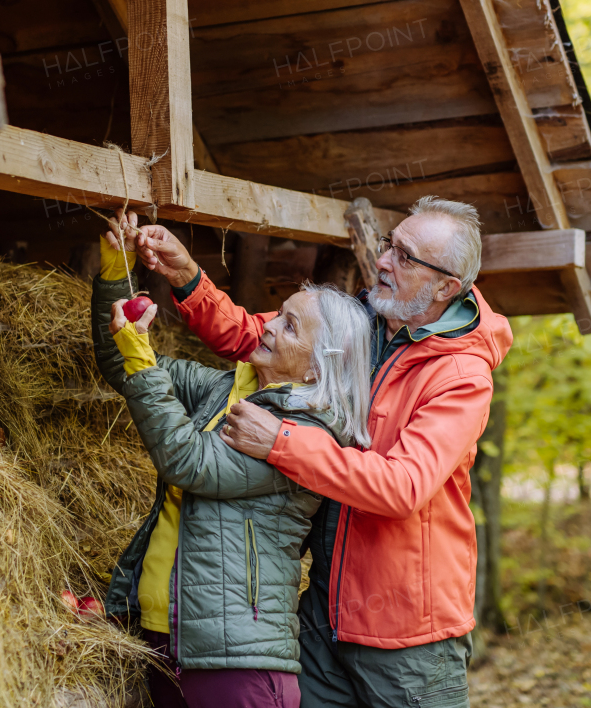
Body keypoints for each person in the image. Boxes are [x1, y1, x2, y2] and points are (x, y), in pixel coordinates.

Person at [127, 196, 513, 708]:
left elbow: (404, 487)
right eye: (389, 245)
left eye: (406, 256)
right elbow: (257, 335)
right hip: (322, 617)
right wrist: (188, 277)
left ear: (446, 286)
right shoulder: (365, 320)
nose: (383, 261)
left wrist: (282, 441)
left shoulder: (460, 376)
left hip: (410, 638)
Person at [92, 213, 373, 708]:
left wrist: (140, 355)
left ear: (318, 364)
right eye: (278, 313)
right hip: (166, 640)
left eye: (290, 326)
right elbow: (125, 363)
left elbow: (187, 460)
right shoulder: (226, 388)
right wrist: (115, 270)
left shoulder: (302, 433)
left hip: (236, 662)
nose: (268, 326)